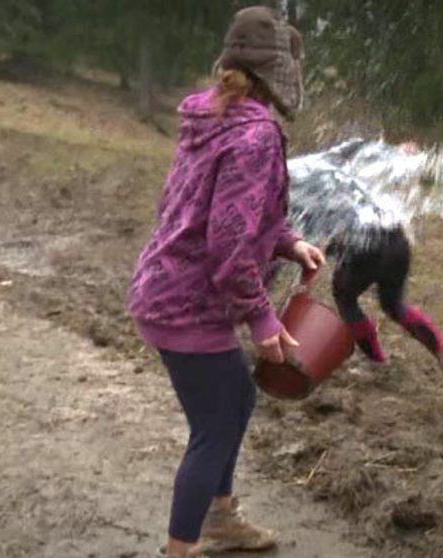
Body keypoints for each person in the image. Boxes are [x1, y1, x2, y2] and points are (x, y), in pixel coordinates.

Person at [127, 7, 325, 557]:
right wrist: (263, 318)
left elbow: (221, 209)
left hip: (166, 288)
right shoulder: (256, 135)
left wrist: (289, 241)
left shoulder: (213, 113)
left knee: (236, 396)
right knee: (213, 431)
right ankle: (179, 549)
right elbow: (227, 243)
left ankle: (220, 515)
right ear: (277, 74)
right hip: (189, 302)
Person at [285, 139, 443, 396]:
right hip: (396, 237)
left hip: (365, 244)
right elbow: (363, 150)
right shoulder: (330, 163)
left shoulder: (291, 189)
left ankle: (377, 362)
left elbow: (308, 251)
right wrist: (398, 152)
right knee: (394, 305)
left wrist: (301, 290)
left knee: (345, 297)